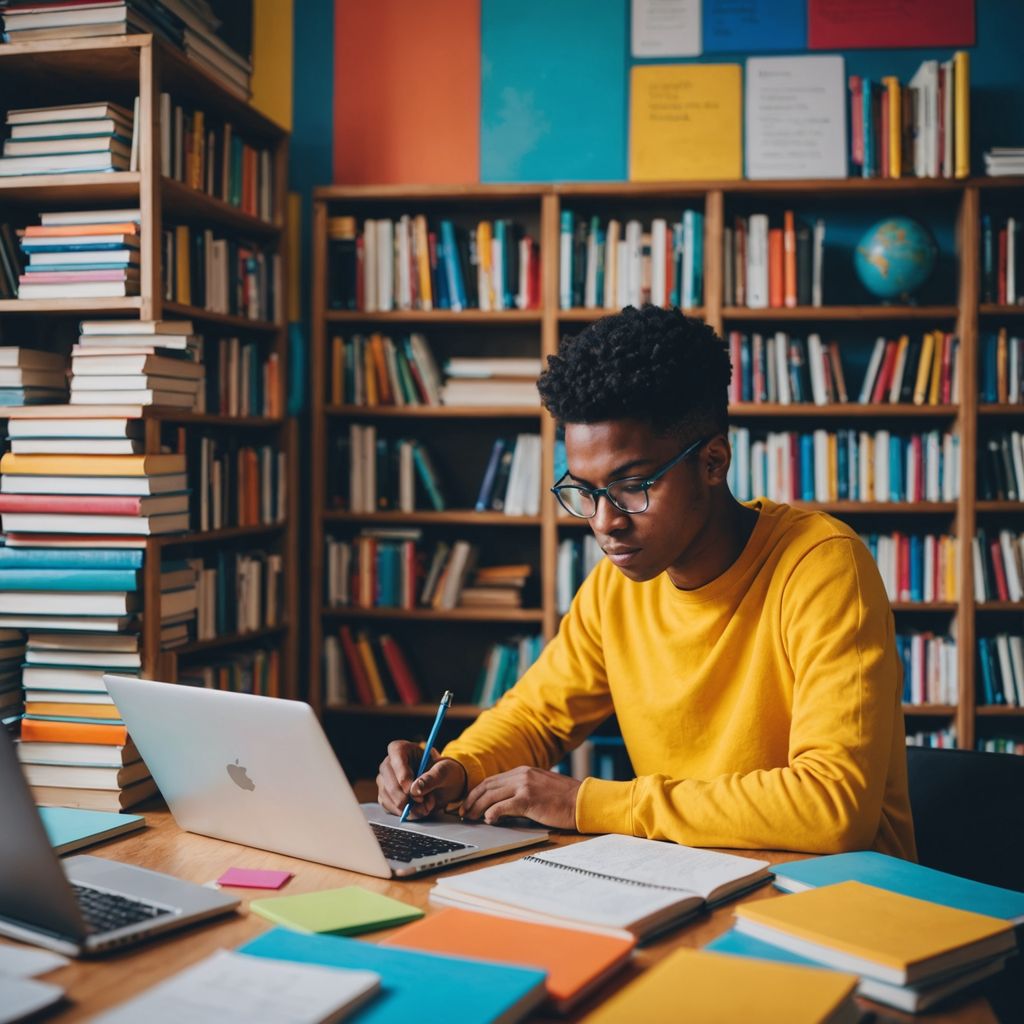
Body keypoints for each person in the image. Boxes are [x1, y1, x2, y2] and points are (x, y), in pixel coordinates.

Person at [377, 305, 916, 857]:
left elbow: (834, 808)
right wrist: (455, 768)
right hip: (699, 880)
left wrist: (588, 804)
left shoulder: (821, 565)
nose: (605, 522)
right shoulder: (618, 587)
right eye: (583, 491)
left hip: (838, 902)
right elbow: (535, 718)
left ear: (713, 462)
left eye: (632, 487)